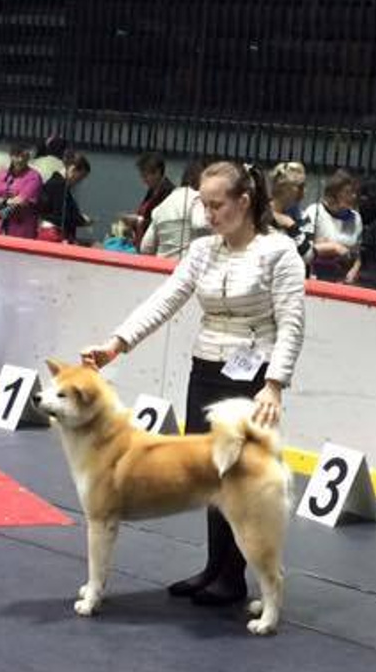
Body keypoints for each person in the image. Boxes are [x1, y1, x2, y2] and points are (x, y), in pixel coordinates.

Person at [81, 160, 306, 607]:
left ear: (245, 201)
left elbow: (292, 323)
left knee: (239, 478)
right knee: (206, 472)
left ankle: (235, 576)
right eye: (204, 205)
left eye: (217, 205)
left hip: (254, 375)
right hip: (206, 368)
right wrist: (116, 344)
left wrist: (275, 384)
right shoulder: (203, 250)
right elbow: (165, 300)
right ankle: (215, 567)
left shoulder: (280, 252)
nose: (209, 214)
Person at [140, 156, 211, 257]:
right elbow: (201, 224)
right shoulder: (196, 199)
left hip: (161, 264)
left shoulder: (161, 206)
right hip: (185, 263)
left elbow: (145, 247)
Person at [306, 169, 362, 283]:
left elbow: (358, 253)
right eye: (348, 192)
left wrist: (355, 270)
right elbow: (305, 248)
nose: (353, 196)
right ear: (334, 193)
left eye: (355, 192)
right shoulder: (315, 212)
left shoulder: (355, 218)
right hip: (316, 277)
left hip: (343, 280)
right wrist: (334, 248)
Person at [0, 144, 44, 239]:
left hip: (22, 231)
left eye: (24, 156)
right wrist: (6, 201)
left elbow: (17, 204)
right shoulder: (3, 174)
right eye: (17, 156)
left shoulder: (34, 177)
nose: (20, 160)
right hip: (1, 229)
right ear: (11, 156)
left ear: (28, 158)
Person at [38, 151, 92, 242]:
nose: (79, 182)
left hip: (48, 232)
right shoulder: (59, 186)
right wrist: (81, 220)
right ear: (73, 169)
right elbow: (61, 216)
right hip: (54, 234)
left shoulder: (54, 183)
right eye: (80, 177)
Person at [123, 152, 174, 249]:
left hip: (155, 246)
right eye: (142, 176)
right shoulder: (153, 189)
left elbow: (162, 222)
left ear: (157, 172)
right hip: (142, 241)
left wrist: (137, 221)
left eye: (145, 176)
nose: (143, 180)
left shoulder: (168, 192)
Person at [268, 163, 313, 264]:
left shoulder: (302, 217)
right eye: (300, 186)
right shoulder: (259, 213)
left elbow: (308, 256)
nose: (304, 191)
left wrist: (291, 226)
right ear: (284, 187)